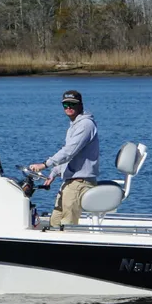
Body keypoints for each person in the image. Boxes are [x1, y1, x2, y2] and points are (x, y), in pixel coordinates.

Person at [29, 90, 99, 227]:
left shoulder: (86, 125)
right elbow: (69, 155)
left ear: (80, 105)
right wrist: (54, 173)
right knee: (55, 222)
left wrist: (44, 164)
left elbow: (69, 151)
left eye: (72, 104)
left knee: (67, 225)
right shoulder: (75, 125)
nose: (68, 108)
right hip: (70, 182)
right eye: (65, 105)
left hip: (79, 183)